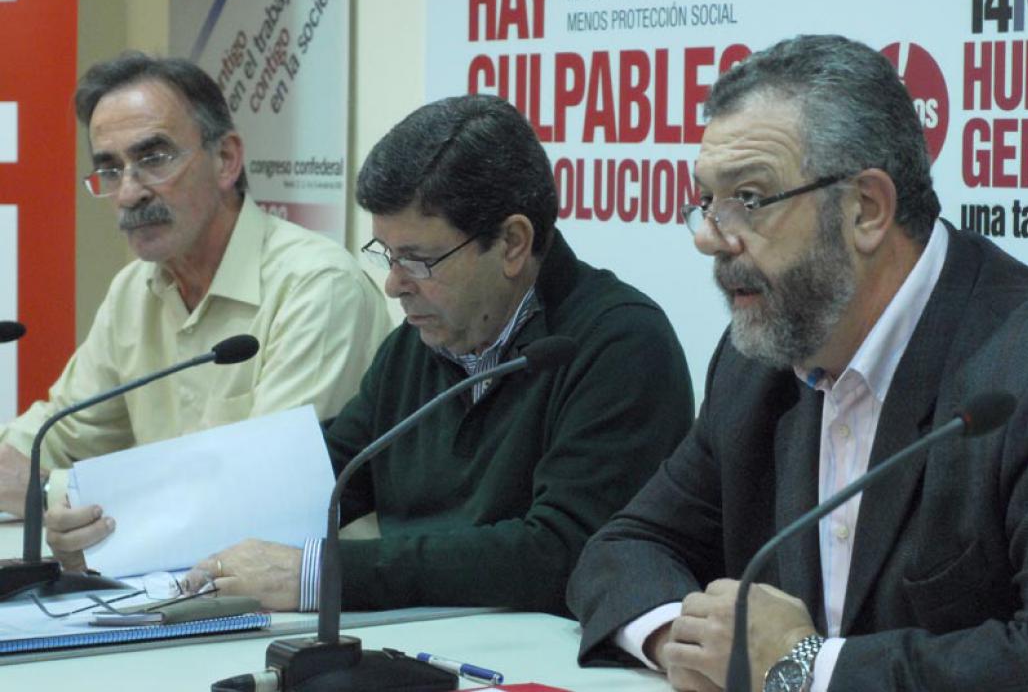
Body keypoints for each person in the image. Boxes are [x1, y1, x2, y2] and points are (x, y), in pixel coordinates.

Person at [566, 35, 1028, 691]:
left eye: (748, 199)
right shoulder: (760, 360)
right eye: (706, 201)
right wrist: (684, 639)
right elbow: (624, 548)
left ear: (866, 209)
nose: (708, 238)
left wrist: (808, 668)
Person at [182, 93, 695, 615]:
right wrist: (156, 532)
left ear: (513, 243)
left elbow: (562, 552)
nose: (393, 284)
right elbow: (329, 477)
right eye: (387, 253)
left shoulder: (621, 343)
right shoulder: (420, 340)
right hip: (422, 637)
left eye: (419, 260)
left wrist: (324, 575)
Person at [0, 53, 391, 550]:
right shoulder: (133, 291)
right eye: (110, 169)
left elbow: (261, 489)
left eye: (153, 158)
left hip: (310, 598)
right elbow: (48, 441)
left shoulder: (317, 286)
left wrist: (46, 491)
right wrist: (23, 469)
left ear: (226, 159)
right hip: (170, 582)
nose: (128, 193)